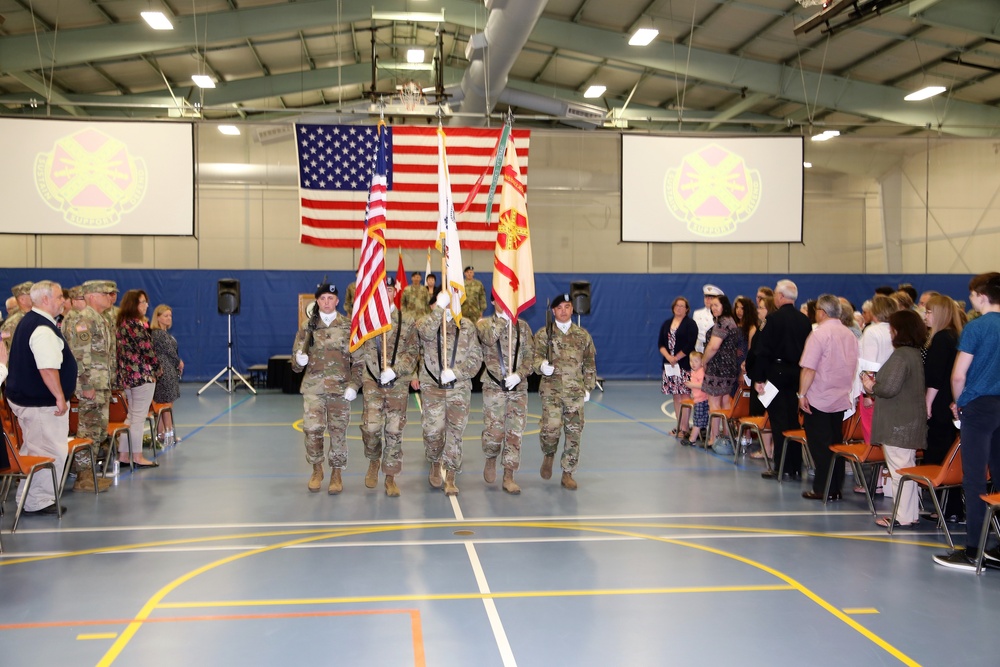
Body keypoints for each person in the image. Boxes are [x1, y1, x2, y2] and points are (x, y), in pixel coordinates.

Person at [933, 272, 1000, 571]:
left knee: (974, 477)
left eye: (972, 294)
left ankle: (974, 550)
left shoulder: (976, 327)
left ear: (981, 297)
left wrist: (959, 403)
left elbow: (959, 374)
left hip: (979, 407)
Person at [4, 281, 76, 515]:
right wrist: (59, 397)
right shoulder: (42, 328)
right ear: (45, 300)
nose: (63, 301)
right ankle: (39, 502)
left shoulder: (30, 321)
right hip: (41, 403)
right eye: (58, 297)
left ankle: (28, 498)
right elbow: (47, 369)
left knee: (35, 449)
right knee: (50, 451)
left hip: (29, 399)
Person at [349, 276, 418, 497]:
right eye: (381, 290)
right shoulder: (365, 320)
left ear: (394, 292)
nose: (385, 294)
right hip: (372, 381)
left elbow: (413, 353)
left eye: (389, 290)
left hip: (398, 383)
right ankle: (373, 459)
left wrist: (395, 370)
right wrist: (355, 382)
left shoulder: (406, 320)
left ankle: (390, 476)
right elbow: (358, 354)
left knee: (394, 430)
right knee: (370, 428)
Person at [292, 282, 360, 494]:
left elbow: (359, 361)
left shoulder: (348, 326)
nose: (326, 302)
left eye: (330, 298)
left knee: (338, 433)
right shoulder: (307, 327)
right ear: (317, 301)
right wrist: (298, 361)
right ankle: (317, 469)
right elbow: (294, 364)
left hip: (340, 389)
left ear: (337, 301)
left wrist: (355, 385)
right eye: (322, 299)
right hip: (314, 388)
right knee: (312, 430)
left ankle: (337, 473)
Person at [862, 309, 927, 528]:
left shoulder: (901, 355)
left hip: (898, 422)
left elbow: (888, 388)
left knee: (900, 471)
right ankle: (910, 513)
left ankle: (903, 516)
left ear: (898, 331)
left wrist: (870, 385)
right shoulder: (915, 353)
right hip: (908, 419)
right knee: (905, 469)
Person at [416, 289, 483, 496]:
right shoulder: (424, 323)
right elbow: (426, 334)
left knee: (455, 432)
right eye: (441, 302)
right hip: (432, 387)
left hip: (459, 387)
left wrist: (456, 373)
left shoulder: (467, 326)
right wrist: (439, 310)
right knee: (433, 431)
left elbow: (476, 358)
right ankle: (435, 460)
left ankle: (451, 473)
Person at [798, 295, 859, 501]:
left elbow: (809, 369)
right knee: (835, 443)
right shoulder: (849, 334)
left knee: (820, 445)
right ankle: (835, 487)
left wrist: (802, 394)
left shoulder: (819, 334)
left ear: (821, 312)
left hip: (820, 397)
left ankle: (823, 488)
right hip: (840, 395)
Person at [533, 293, 597, 490]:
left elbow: (590, 363)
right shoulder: (544, 334)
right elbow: (534, 359)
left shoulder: (582, 335)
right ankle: (549, 453)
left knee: (574, 432)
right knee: (550, 428)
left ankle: (567, 472)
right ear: (553, 311)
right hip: (551, 390)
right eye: (559, 307)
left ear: (572, 309)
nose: (563, 311)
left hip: (575, 391)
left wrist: (588, 387)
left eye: (567, 307)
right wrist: (541, 365)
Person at [753, 280, 812, 481]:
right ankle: (796, 465)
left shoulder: (773, 320)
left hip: (776, 373)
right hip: (798, 373)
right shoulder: (805, 321)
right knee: (794, 420)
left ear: (779, 296)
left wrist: (759, 378)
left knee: (779, 421)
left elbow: (762, 351)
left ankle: (782, 466)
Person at [62, 280, 117, 492]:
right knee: (87, 430)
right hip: (90, 385)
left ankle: (89, 475)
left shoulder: (100, 319)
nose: (109, 297)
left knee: (97, 431)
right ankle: (83, 478)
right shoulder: (84, 320)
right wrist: (86, 385)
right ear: (92, 296)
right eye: (105, 293)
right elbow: (79, 356)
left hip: (101, 383)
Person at [478, 294, 534, 494]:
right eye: (500, 299)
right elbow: (489, 338)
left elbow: (530, 356)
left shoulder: (523, 327)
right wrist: (504, 318)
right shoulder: (484, 325)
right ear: (493, 302)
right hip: (494, 386)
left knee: (514, 433)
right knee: (494, 432)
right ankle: (491, 456)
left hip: (518, 388)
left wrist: (520, 375)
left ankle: (509, 475)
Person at [922, 294, 964, 521]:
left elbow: (935, 378)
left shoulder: (940, 339)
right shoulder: (955, 336)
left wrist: (927, 403)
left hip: (939, 406)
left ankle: (947, 509)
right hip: (951, 404)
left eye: (929, 312)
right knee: (951, 456)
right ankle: (953, 508)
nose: (925, 316)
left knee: (939, 456)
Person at [115, 289, 159, 468]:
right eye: (142, 302)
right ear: (134, 304)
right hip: (142, 376)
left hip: (128, 377)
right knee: (139, 418)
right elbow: (148, 350)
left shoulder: (121, 324)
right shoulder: (136, 325)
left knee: (131, 416)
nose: (146, 305)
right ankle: (138, 456)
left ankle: (124, 454)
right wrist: (157, 368)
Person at [701, 294, 744, 446]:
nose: (713, 308)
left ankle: (714, 438)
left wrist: (703, 362)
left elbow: (713, 346)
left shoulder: (722, 323)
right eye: (711, 305)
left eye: (716, 305)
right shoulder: (731, 321)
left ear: (724, 306)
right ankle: (726, 436)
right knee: (725, 401)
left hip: (718, 368)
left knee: (713, 403)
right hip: (730, 368)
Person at [857, 295, 899, 444]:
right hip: (893, 387)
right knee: (888, 431)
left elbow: (869, 365)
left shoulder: (872, 331)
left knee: (873, 432)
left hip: (874, 389)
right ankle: (884, 466)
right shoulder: (896, 329)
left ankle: (879, 465)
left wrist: (868, 394)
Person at [659, 296, 698, 438]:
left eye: (682, 306)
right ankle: (679, 426)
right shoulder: (666, 324)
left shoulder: (690, 324)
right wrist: (669, 357)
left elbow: (690, 344)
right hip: (669, 366)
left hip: (684, 364)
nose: (679, 308)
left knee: (685, 396)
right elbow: (661, 344)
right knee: (676, 396)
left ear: (687, 309)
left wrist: (676, 357)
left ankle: (685, 428)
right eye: (677, 305)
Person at [150, 304, 183, 446]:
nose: (169, 318)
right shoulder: (159, 334)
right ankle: (169, 435)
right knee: (165, 405)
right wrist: (179, 362)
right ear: (158, 317)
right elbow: (171, 352)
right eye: (165, 316)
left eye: (170, 315)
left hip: (168, 370)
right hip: (165, 372)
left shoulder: (163, 333)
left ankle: (161, 434)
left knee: (164, 405)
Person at [682, 352, 709, 446]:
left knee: (697, 420)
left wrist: (692, 385)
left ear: (702, 362)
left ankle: (692, 439)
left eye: (696, 361)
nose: (693, 363)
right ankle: (699, 435)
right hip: (698, 399)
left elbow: (703, 385)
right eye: (691, 361)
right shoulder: (694, 372)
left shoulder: (701, 372)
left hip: (702, 400)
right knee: (700, 419)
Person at [1, 281, 34, 350]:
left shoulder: (33, 316)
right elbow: (6, 348)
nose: (36, 296)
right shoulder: (14, 322)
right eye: (32, 295)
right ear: (22, 300)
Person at [692, 284, 723, 353]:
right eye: (706, 297)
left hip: (714, 350)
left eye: (711, 298)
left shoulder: (720, 315)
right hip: (699, 349)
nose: (708, 300)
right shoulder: (697, 313)